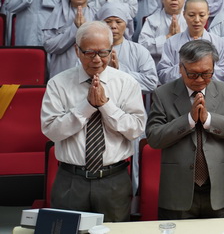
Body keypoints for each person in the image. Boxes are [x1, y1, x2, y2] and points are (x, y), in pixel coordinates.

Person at [40, 21, 146, 221]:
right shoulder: (58, 84)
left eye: (103, 53)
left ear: (112, 51)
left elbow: (136, 129)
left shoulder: (126, 83)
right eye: (89, 53)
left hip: (113, 180)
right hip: (71, 180)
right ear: (77, 51)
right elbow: (51, 130)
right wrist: (87, 106)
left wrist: (106, 105)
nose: (97, 59)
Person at [146, 40, 224, 219]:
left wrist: (208, 120)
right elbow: (154, 138)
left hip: (216, 189)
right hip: (177, 190)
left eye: (206, 74)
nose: (200, 80)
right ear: (181, 68)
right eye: (193, 74)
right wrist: (188, 120)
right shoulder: (163, 94)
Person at [157, 0, 224, 84]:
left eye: (202, 15)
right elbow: (163, 74)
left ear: (208, 15)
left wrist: (204, 66)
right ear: (184, 14)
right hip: (179, 90)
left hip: (210, 91)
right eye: (191, 15)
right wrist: (187, 66)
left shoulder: (219, 43)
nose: (197, 20)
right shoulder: (171, 42)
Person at [43, 0, 97, 78]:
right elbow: (49, 46)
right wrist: (75, 29)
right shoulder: (57, 14)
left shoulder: (97, 14)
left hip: (91, 70)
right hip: (63, 69)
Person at [99, 1, 158, 92]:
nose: (113, 26)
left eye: (118, 22)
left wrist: (119, 70)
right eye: (108, 22)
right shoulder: (90, 51)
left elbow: (151, 83)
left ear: (126, 25)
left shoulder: (139, 51)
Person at [139, 0, 188, 66]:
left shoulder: (190, 19)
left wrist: (180, 39)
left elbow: (198, 45)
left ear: (184, 0)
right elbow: (142, 45)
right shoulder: (152, 20)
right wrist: (167, 37)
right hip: (158, 66)